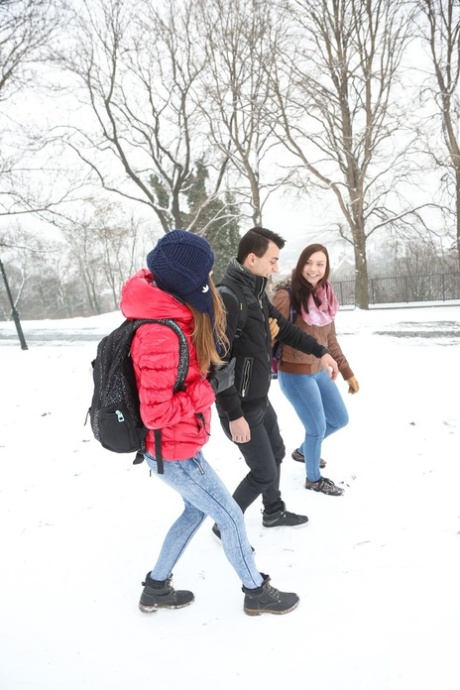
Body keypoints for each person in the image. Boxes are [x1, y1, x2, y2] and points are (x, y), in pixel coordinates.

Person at [120, 229, 299, 616]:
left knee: (195, 511)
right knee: (231, 516)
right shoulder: (158, 334)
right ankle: (256, 591)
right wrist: (210, 386)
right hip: (174, 452)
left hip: (175, 448)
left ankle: (155, 588)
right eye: (202, 278)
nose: (207, 285)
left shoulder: (166, 316)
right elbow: (156, 413)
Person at [212, 227, 339, 536]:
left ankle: (273, 511)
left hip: (258, 398)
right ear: (252, 259)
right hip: (239, 406)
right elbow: (218, 365)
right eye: (272, 260)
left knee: (278, 452)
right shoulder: (229, 298)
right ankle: (224, 526)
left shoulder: (255, 293)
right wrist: (234, 415)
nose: (277, 268)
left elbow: (285, 329)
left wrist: (321, 351)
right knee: (262, 472)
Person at [271, 243, 359, 496]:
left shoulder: (326, 297)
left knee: (340, 419)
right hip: (295, 373)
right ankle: (313, 479)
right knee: (317, 428)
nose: (314, 269)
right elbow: (269, 337)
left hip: (319, 370)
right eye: (309, 262)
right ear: (301, 264)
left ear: (326, 268)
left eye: (320, 264)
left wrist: (348, 372)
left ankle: (304, 451)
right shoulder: (287, 296)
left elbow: (331, 341)